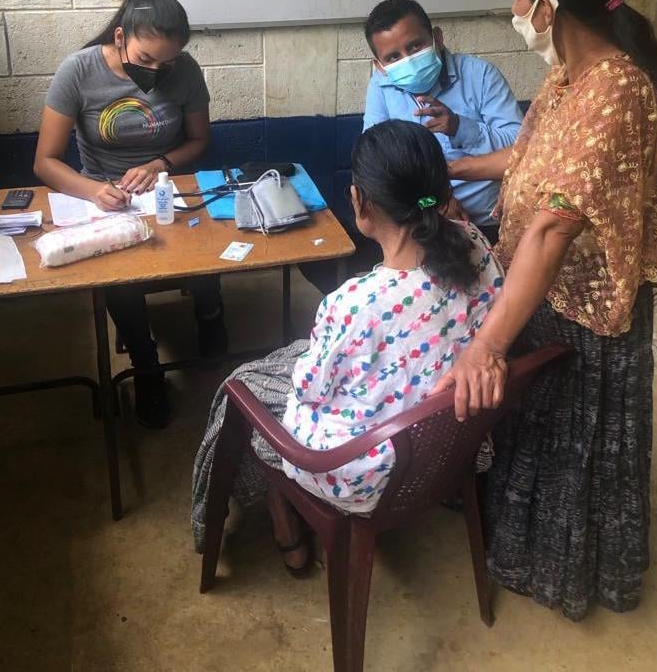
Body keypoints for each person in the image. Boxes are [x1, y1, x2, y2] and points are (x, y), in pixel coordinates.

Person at [435, 0, 657, 620]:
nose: (513, 10)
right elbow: (526, 162)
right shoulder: (569, 78)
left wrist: (487, 342)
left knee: (579, 444)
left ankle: (575, 571)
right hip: (546, 290)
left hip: (589, 304)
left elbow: (553, 223)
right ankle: (520, 547)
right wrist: (452, 167)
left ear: (548, 7)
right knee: (540, 430)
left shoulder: (617, 93)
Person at [192, 120, 503, 573]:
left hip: (362, 474)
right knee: (266, 374)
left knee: (240, 393)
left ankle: (284, 529)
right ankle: (283, 523)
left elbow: (311, 390)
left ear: (359, 202)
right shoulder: (476, 243)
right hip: (454, 445)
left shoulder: (354, 303)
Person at [34, 0, 228, 429]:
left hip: (165, 185)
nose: (157, 71)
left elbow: (200, 140)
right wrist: (91, 190)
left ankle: (210, 310)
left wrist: (159, 162)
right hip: (104, 195)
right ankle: (145, 361)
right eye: (145, 59)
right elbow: (44, 162)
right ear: (120, 37)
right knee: (120, 276)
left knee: (204, 248)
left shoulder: (186, 71)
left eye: (168, 62)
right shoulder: (78, 71)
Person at [363, 0, 523, 245]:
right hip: (420, 225)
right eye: (393, 57)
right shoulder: (381, 87)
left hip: (490, 225)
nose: (408, 61)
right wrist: (433, 199)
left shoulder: (480, 74)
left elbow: (521, 149)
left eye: (416, 46)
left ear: (437, 38)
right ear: (380, 67)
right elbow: (376, 166)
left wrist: (460, 127)